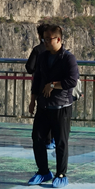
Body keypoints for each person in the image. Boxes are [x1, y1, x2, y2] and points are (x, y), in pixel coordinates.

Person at [27, 25, 78, 188]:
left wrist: (53, 85)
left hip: (61, 106)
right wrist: (33, 100)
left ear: (58, 39)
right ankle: (43, 171)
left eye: (49, 39)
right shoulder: (42, 57)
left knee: (61, 141)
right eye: (44, 39)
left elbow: (72, 80)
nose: (46, 42)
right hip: (43, 105)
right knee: (37, 138)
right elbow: (37, 79)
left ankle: (61, 174)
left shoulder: (68, 58)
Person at [24, 23, 55, 151]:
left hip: (41, 87)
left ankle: (45, 140)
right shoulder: (57, 51)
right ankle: (53, 139)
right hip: (56, 89)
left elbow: (29, 67)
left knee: (43, 114)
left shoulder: (38, 50)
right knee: (54, 114)